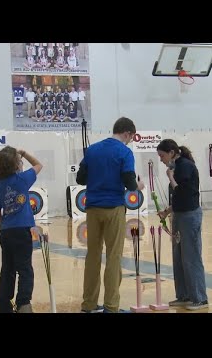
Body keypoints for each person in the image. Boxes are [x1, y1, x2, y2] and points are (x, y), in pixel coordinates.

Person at [76, 117, 145, 313]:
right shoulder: (124, 152)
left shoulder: (93, 150)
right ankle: (111, 306)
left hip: (92, 209)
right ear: (127, 133)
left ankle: (88, 304)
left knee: (93, 256)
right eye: (131, 138)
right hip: (113, 207)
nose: (130, 141)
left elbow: (80, 179)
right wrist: (138, 186)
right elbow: (130, 183)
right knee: (113, 257)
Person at [156, 139, 208, 310]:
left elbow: (183, 192)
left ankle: (199, 298)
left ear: (171, 152)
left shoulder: (184, 166)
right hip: (179, 215)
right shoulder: (177, 166)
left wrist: (171, 177)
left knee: (191, 257)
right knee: (178, 257)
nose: (161, 159)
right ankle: (184, 295)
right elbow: (179, 198)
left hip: (190, 216)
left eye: (162, 155)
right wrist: (167, 212)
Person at [0, 146, 43, 313]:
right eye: (19, 162)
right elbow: (38, 165)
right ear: (16, 166)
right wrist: (24, 153)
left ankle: (4, 305)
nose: (22, 164)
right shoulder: (22, 179)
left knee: (7, 269)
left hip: (6, 232)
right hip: (22, 232)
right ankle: (23, 305)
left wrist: (7, 222)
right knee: (25, 269)